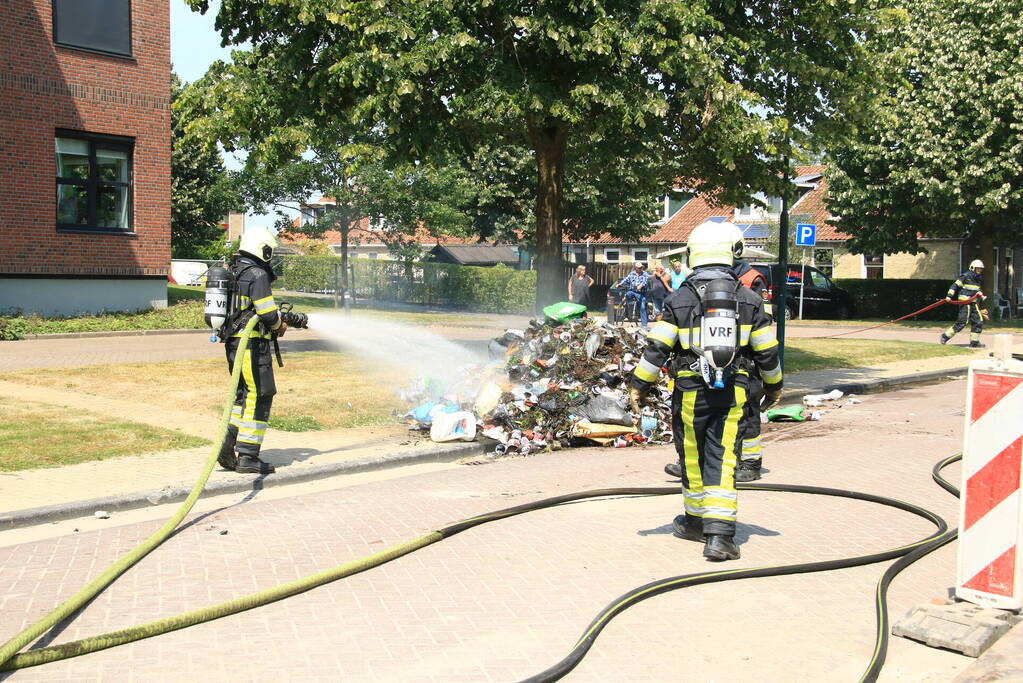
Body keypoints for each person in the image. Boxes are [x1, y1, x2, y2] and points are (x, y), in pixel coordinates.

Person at [630, 222, 782, 561]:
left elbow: (657, 348)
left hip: (689, 391)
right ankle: (720, 537)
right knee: (724, 457)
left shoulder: (680, 298)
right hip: (733, 392)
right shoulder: (750, 299)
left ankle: (696, 522)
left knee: (692, 455)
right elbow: (767, 353)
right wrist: (774, 387)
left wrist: (639, 385)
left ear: (692, 255)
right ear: (732, 254)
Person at [664, 223, 772, 483]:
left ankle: (749, 462)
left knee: (747, 411)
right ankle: (695, 462)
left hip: (743, 356)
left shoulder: (749, 280)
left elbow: (760, 320)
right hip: (705, 360)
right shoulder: (708, 281)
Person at [218, 226, 288, 474]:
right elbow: (268, 314)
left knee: (244, 395)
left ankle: (227, 443)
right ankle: (248, 455)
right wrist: (281, 324)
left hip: (234, 345)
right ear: (263, 249)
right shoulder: (257, 274)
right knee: (260, 394)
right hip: (251, 345)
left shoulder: (235, 271)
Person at [940, 260, 987, 348]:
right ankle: (945, 336)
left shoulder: (978, 278)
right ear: (972, 268)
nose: (979, 271)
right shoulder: (965, 276)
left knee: (978, 322)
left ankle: (974, 342)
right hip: (964, 303)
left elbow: (977, 289)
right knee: (962, 323)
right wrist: (949, 296)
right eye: (978, 269)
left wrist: (980, 294)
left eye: (981, 269)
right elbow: (954, 286)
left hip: (973, 303)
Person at [619, 261, 652, 327]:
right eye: (639, 268)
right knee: (628, 294)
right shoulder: (632, 274)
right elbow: (626, 279)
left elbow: (645, 281)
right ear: (635, 268)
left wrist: (641, 286)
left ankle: (644, 324)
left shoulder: (645, 274)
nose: (640, 269)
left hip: (641, 293)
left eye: (641, 268)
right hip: (633, 291)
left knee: (642, 308)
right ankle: (627, 304)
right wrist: (620, 284)